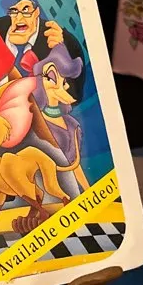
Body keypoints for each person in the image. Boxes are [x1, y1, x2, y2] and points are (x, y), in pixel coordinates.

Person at [0, 0, 85, 104]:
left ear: (36, 12)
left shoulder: (60, 39)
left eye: (26, 10)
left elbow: (74, 96)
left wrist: (61, 52)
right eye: (14, 11)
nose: (19, 18)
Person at [32, 47, 89, 192]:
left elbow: (75, 165)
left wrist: (88, 190)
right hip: (48, 191)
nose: (56, 84)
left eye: (62, 80)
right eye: (51, 77)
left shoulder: (72, 125)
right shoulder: (36, 123)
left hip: (72, 192)